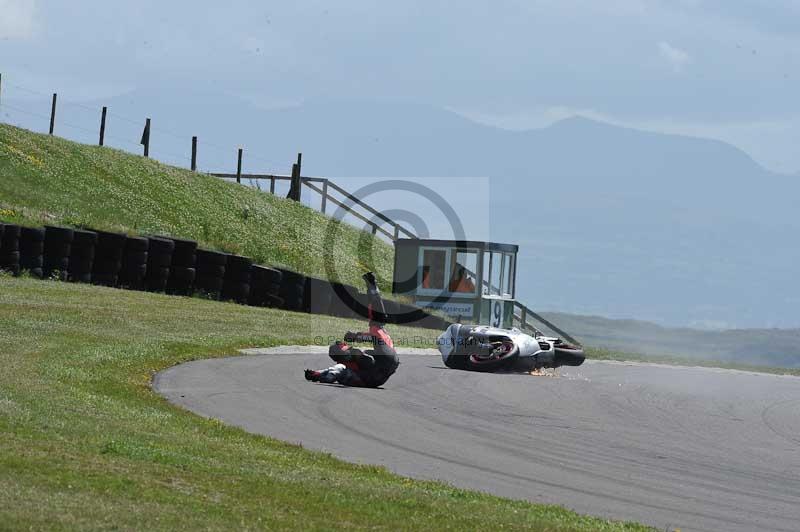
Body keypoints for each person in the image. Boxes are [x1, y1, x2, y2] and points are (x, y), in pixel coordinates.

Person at [304, 271, 400, 387]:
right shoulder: (365, 354)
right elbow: (373, 338)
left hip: (372, 376)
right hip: (376, 375)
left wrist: (317, 374)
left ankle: (372, 286)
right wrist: (355, 337)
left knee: (345, 369)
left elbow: (373, 339)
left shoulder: (355, 361)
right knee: (375, 328)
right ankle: (372, 285)